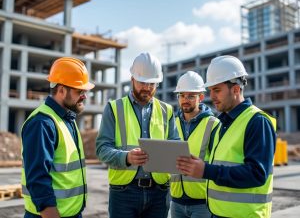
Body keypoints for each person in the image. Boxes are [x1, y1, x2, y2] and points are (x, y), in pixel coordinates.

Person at [176, 55, 276, 218]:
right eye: (210, 91)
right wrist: (199, 165)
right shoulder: (224, 123)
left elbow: (257, 174)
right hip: (219, 213)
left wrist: (206, 170)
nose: (212, 97)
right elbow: (224, 163)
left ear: (236, 89)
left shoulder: (257, 122)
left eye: (217, 90)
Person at [96, 52, 180, 218]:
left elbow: (175, 144)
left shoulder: (167, 110)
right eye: (143, 82)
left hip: (159, 192)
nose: (147, 88)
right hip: (124, 193)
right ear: (132, 79)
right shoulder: (114, 108)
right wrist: (126, 158)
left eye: (152, 83)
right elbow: (102, 149)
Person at [21, 57, 95, 218]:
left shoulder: (66, 119)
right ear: (61, 90)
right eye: (79, 91)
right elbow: (37, 179)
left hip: (71, 213)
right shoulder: (42, 123)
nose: (84, 96)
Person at [170, 71, 219, 218]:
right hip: (176, 201)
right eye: (182, 95)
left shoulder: (213, 124)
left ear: (201, 97)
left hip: (202, 203)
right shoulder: (171, 123)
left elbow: (218, 162)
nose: (185, 100)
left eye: (191, 96)